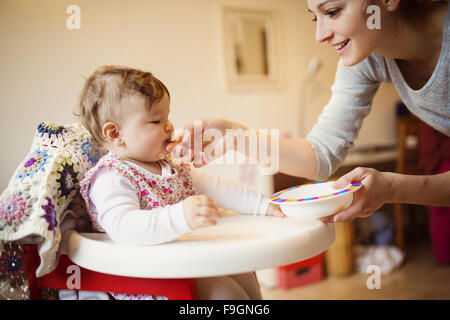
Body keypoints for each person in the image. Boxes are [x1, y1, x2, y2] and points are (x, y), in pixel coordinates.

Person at [168, 0, 450, 225]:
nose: (320, 35)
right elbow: (320, 154)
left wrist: (391, 187)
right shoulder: (369, 60)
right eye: (316, 16)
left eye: (333, 11)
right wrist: (236, 135)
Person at [72, 65, 284, 300]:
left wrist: (261, 205)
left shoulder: (169, 165)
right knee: (227, 294)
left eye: (167, 117)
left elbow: (214, 186)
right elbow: (123, 227)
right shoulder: (112, 176)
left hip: (183, 261)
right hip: (148, 278)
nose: (169, 126)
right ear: (115, 133)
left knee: (243, 270)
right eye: (155, 121)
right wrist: (181, 216)